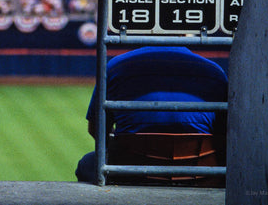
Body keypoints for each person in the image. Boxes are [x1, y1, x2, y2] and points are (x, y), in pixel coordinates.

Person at [75, 45, 228, 183]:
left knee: (87, 163)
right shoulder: (215, 70)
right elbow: (224, 136)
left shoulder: (116, 66)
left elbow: (96, 129)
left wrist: (120, 143)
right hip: (201, 176)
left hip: (130, 176)